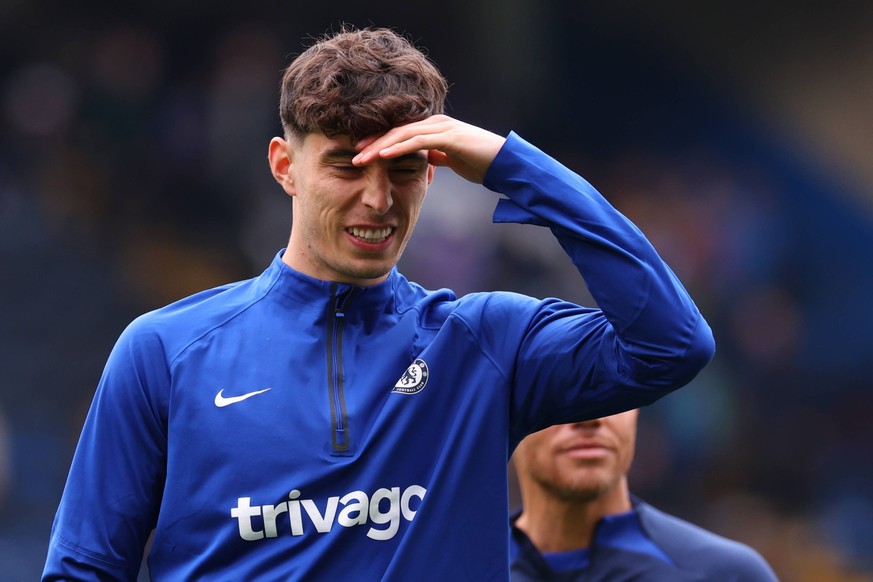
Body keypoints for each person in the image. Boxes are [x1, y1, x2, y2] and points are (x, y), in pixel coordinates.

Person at [43, 26, 715, 580]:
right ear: (284, 166)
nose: (377, 200)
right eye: (345, 165)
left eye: (403, 168)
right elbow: (83, 569)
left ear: (435, 170)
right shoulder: (164, 351)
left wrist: (512, 166)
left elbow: (671, 344)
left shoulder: (484, 342)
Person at [509, 410, 778, 581]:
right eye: (558, 391)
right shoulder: (470, 566)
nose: (590, 417)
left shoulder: (725, 575)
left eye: (614, 391)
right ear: (507, 409)